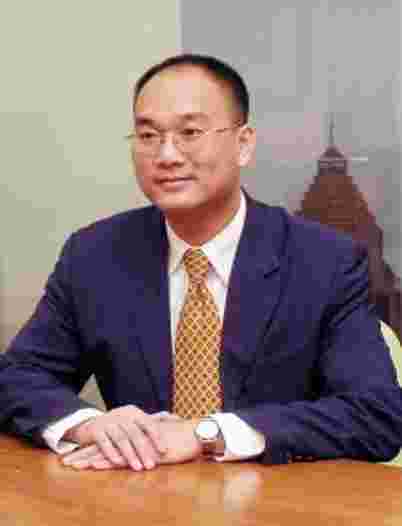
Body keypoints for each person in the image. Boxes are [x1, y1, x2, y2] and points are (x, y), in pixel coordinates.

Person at [1, 54, 401, 472]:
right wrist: (91, 425)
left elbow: (375, 414)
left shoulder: (324, 262)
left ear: (243, 144)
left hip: (278, 498)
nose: (166, 154)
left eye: (189, 132)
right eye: (148, 135)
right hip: (138, 496)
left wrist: (204, 434)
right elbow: (18, 377)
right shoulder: (95, 255)